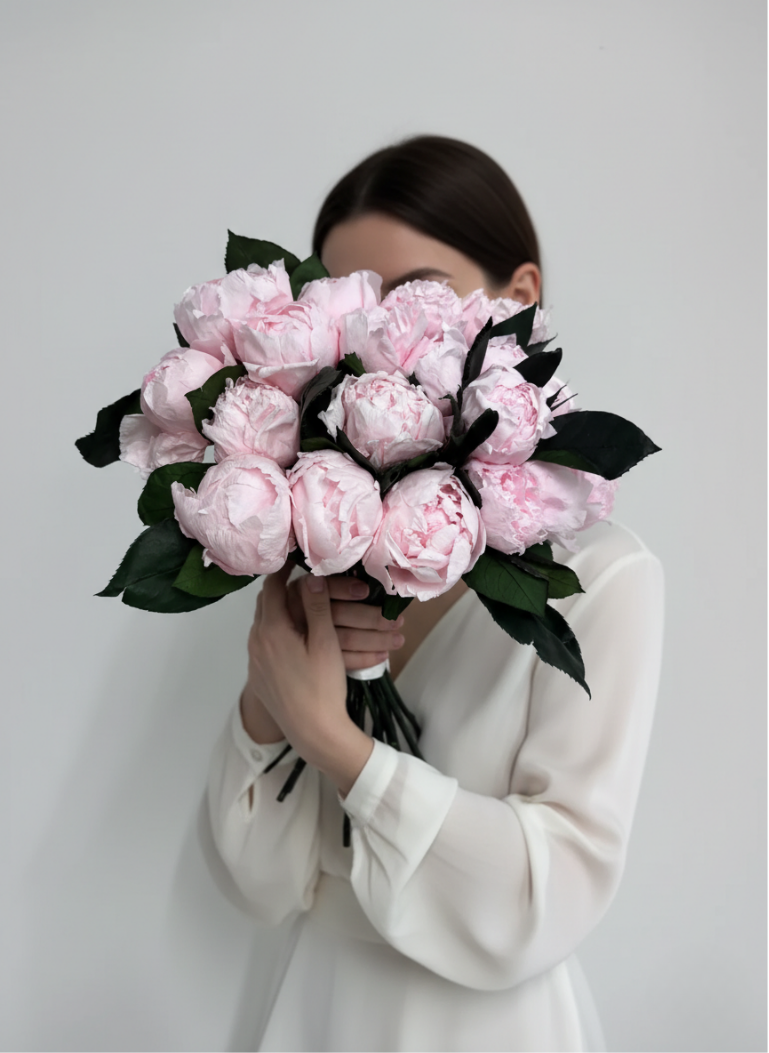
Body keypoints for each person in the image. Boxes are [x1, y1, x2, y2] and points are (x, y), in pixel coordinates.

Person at [206, 135, 664, 1052]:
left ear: (518, 298)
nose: (382, 346)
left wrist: (335, 743)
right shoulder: (321, 557)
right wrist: (268, 693)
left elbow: (549, 899)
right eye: (355, 310)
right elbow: (258, 884)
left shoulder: (600, 579)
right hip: (316, 1009)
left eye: (417, 292)